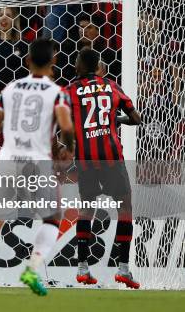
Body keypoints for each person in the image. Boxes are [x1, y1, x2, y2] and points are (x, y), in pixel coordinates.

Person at [0, 38, 75, 296]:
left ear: (27, 60)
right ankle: (32, 268)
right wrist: (66, 146)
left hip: (7, 161)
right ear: (54, 61)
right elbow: (67, 126)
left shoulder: (10, 89)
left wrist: (12, 125)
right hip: (37, 163)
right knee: (52, 218)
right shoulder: (57, 93)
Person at [65, 48, 142, 289]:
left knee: (86, 209)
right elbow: (136, 118)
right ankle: (123, 268)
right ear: (98, 66)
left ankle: (82, 268)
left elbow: (61, 121)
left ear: (78, 66)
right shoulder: (111, 85)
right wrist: (114, 119)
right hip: (111, 157)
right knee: (125, 206)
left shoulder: (70, 90)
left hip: (86, 159)